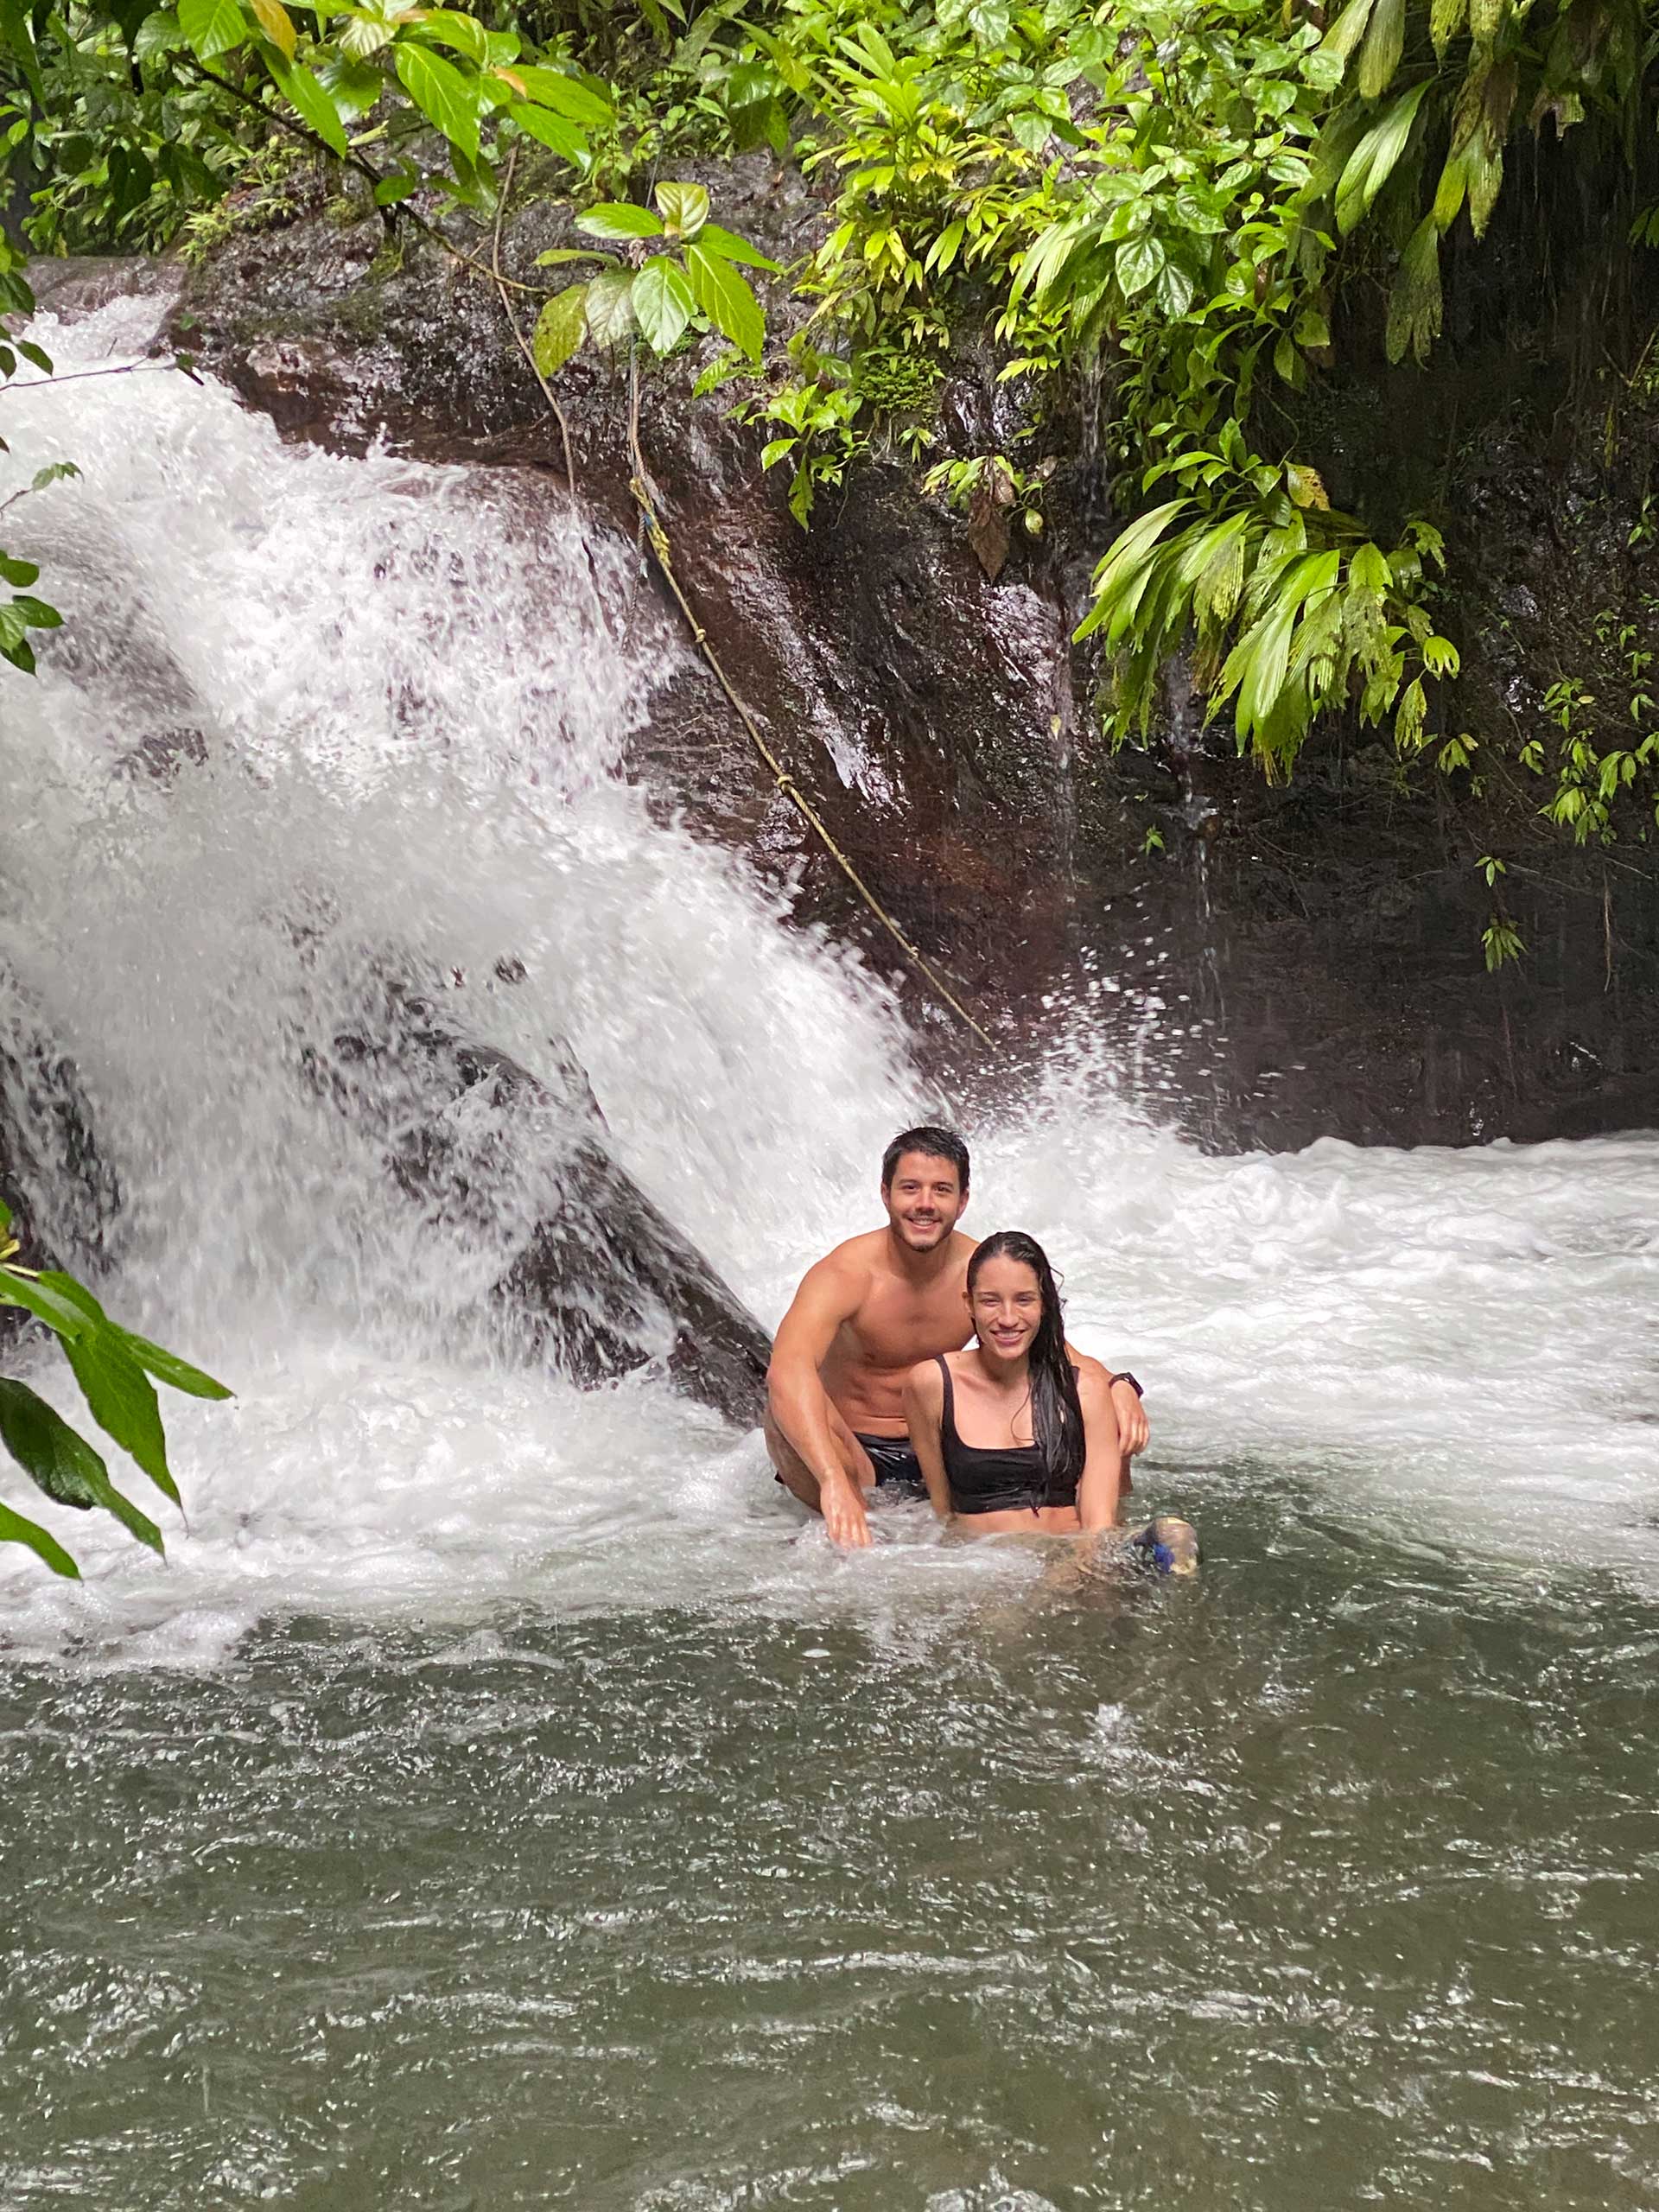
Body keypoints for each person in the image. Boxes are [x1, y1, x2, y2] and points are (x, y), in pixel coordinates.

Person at [765, 1126, 1149, 1548]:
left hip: (946, 1448)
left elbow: (1057, 1351)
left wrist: (1120, 1386)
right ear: (885, 1193)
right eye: (910, 1188)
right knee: (783, 1409)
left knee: (1101, 1407)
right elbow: (787, 1368)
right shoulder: (846, 1273)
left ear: (962, 1201)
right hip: (856, 1453)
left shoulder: (980, 1269)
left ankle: (1105, 1547)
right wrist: (832, 1479)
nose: (925, 1204)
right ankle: (855, 1522)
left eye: (941, 1190)